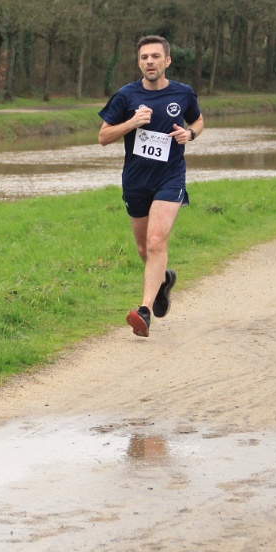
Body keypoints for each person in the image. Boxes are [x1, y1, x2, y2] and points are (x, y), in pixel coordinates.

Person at [98, 35, 204, 338]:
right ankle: (163, 280)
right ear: (139, 63)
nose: (150, 62)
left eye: (155, 56)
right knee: (144, 248)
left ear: (167, 61)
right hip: (136, 181)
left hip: (170, 178)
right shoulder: (126, 96)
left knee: (156, 242)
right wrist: (131, 123)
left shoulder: (182, 93)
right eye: (144, 57)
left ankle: (144, 310)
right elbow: (103, 137)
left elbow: (198, 121)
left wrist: (190, 135)